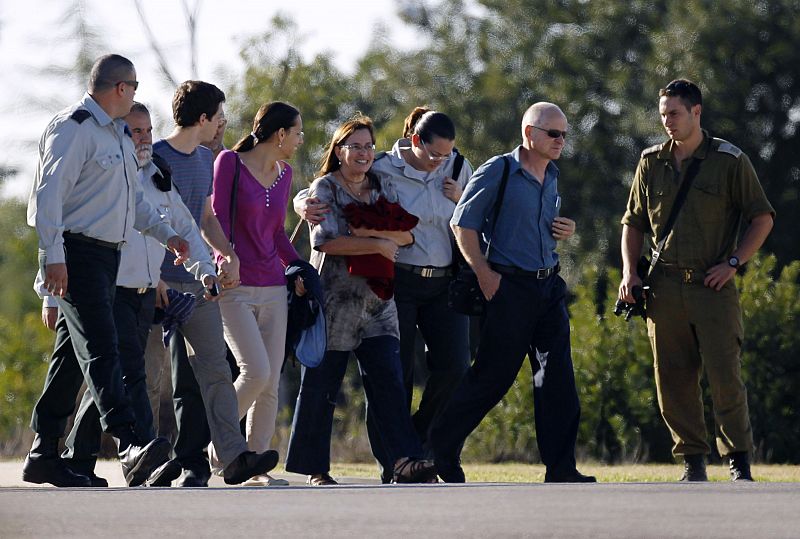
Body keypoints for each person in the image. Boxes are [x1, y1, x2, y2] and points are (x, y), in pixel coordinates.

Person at [23, 54, 190, 487]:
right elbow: (47, 197)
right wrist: (53, 256)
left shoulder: (117, 135)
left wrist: (167, 233)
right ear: (120, 88)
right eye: (133, 87)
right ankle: (131, 442)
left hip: (106, 256)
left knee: (70, 362)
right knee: (103, 347)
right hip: (76, 255)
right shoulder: (73, 127)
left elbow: (133, 202)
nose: (135, 94)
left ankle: (43, 454)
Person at [298, 107, 474, 481]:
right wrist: (375, 241)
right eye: (355, 146)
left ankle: (409, 454)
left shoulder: (400, 182)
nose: (442, 162)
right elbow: (324, 232)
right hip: (345, 295)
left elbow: (407, 231)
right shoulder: (368, 173)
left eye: (367, 146)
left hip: (387, 293)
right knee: (332, 382)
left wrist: (369, 236)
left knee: (402, 378)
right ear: (340, 148)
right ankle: (331, 467)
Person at [428, 102, 594, 484]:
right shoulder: (498, 169)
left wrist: (561, 229)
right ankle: (440, 449)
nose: (560, 141)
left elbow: (532, 226)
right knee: (493, 377)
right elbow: (462, 224)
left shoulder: (551, 175)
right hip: (507, 287)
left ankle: (561, 467)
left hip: (548, 285)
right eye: (553, 133)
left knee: (557, 378)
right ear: (529, 133)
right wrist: (484, 273)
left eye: (564, 134)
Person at [618, 79, 774, 482]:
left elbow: (762, 217)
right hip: (664, 286)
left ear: (696, 112)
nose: (667, 121)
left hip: (713, 286)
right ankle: (693, 462)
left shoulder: (729, 160)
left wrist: (735, 262)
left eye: (674, 113)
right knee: (672, 379)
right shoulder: (650, 161)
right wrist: (630, 272)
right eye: (663, 114)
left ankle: (738, 460)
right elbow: (633, 223)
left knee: (725, 376)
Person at [151, 80, 281, 487]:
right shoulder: (155, 157)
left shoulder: (207, 160)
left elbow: (205, 220)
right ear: (203, 118)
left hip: (196, 282)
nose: (225, 122)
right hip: (153, 285)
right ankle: (147, 459)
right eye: (220, 115)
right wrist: (153, 276)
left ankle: (233, 457)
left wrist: (227, 253)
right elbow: (142, 219)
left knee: (214, 373)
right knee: (149, 379)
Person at [208, 102, 305, 486]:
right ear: (280, 134)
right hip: (234, 287)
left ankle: (254, 465)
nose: (299, 140)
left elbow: (278, 235)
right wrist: (222, 258)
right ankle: (220, 447)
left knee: (271, 381)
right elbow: (213, 219)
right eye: (297, 132)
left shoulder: (285, 174)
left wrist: (299, 269)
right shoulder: (229, 163)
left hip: (273, 287)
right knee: (255, 371)